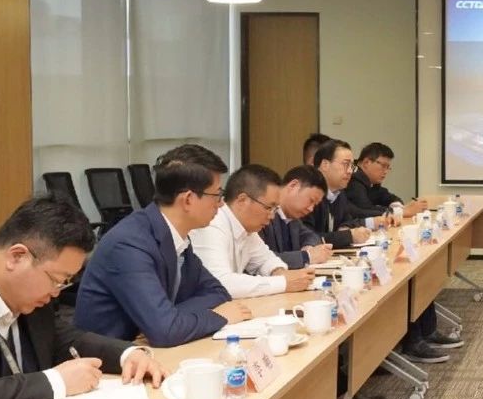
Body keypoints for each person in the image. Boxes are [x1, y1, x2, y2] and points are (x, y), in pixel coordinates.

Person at [0, 197, 166, 399]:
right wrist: (55, 383)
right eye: (56, 280)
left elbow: (64, 340)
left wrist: (127, 355)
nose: (56, 293)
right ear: (17, 256)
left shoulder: (30, 293)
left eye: (63, 283)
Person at [75, 144, 252, 347]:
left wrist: (169, 318)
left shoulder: (175, 235)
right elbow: (166, 332)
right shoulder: (129, 244)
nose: (220, 204)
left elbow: (218, 292)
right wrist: (218, 317)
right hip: (108, 358)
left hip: (146, 350)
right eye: (217, 195)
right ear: (188, 200)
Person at [190, 164, 316, 298]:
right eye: (268, 208)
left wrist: (280, 272)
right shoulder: (212, 224)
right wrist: (283, 282)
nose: (272, 216)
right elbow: (221, 283)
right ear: (242, 200)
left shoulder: (248, 230)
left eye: (275, 209)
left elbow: (266, 259)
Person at [304, 139, 375, 249]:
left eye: (352, 166)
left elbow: (348, 221)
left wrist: (346, 228)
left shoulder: (339, 193)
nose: (350, 171)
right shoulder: (307, 193)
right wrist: (347, 236)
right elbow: (307, 238)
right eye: (346, 164)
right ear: (325, 165)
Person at [261, 165, 333, 269]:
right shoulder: (262, 214)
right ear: (293, 186)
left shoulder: (293, 219)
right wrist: (307, 256)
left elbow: (311, 236)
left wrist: (309, 247)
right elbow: (261, 260)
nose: (311, 209)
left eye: (315, 205)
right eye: (311, 200)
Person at [345, 142, 428, 221]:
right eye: (383, 166)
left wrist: (399, 207)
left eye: (388, 167)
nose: (386, 171)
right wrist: (402, 212)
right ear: (366, 162)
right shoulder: (352, 179)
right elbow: (365, 211)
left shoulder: (369, 180)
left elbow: (386, 196)